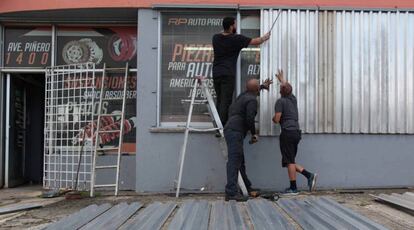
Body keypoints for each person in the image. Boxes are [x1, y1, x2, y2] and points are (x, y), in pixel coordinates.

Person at [213, 17, 271, 127]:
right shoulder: (236, 39)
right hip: (227, 73)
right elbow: (255, 41)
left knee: (219, 99)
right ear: (231, 26)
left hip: (216, 73)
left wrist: (226, 31)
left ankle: (217, 125)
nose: (236, 26)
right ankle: (222, 126)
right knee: (226, 101)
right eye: (235, 24)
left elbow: (222, 33)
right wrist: (265, 37)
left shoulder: (215, 38)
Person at [224, 78, 272, 201]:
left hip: (232, 129)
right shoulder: (252, 100)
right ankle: (231, 192)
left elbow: (252, 89)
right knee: (234, 161)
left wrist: (262, 86)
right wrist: (254, 134)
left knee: (240, 161)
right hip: (235, 131)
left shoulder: (243, 96)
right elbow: (250, 118)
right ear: (256, 90)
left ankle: (246, 187)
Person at [272, 70, 317, 195]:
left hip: (287, 132)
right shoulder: (293, 99)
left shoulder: (280, 102)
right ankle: (309, 176)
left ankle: (293, 188)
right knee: (289, 160)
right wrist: (282, 80)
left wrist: (274, 118)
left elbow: (277, 119)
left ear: (281, 92)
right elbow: (287, 88)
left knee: (290, 161)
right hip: (296, 132)